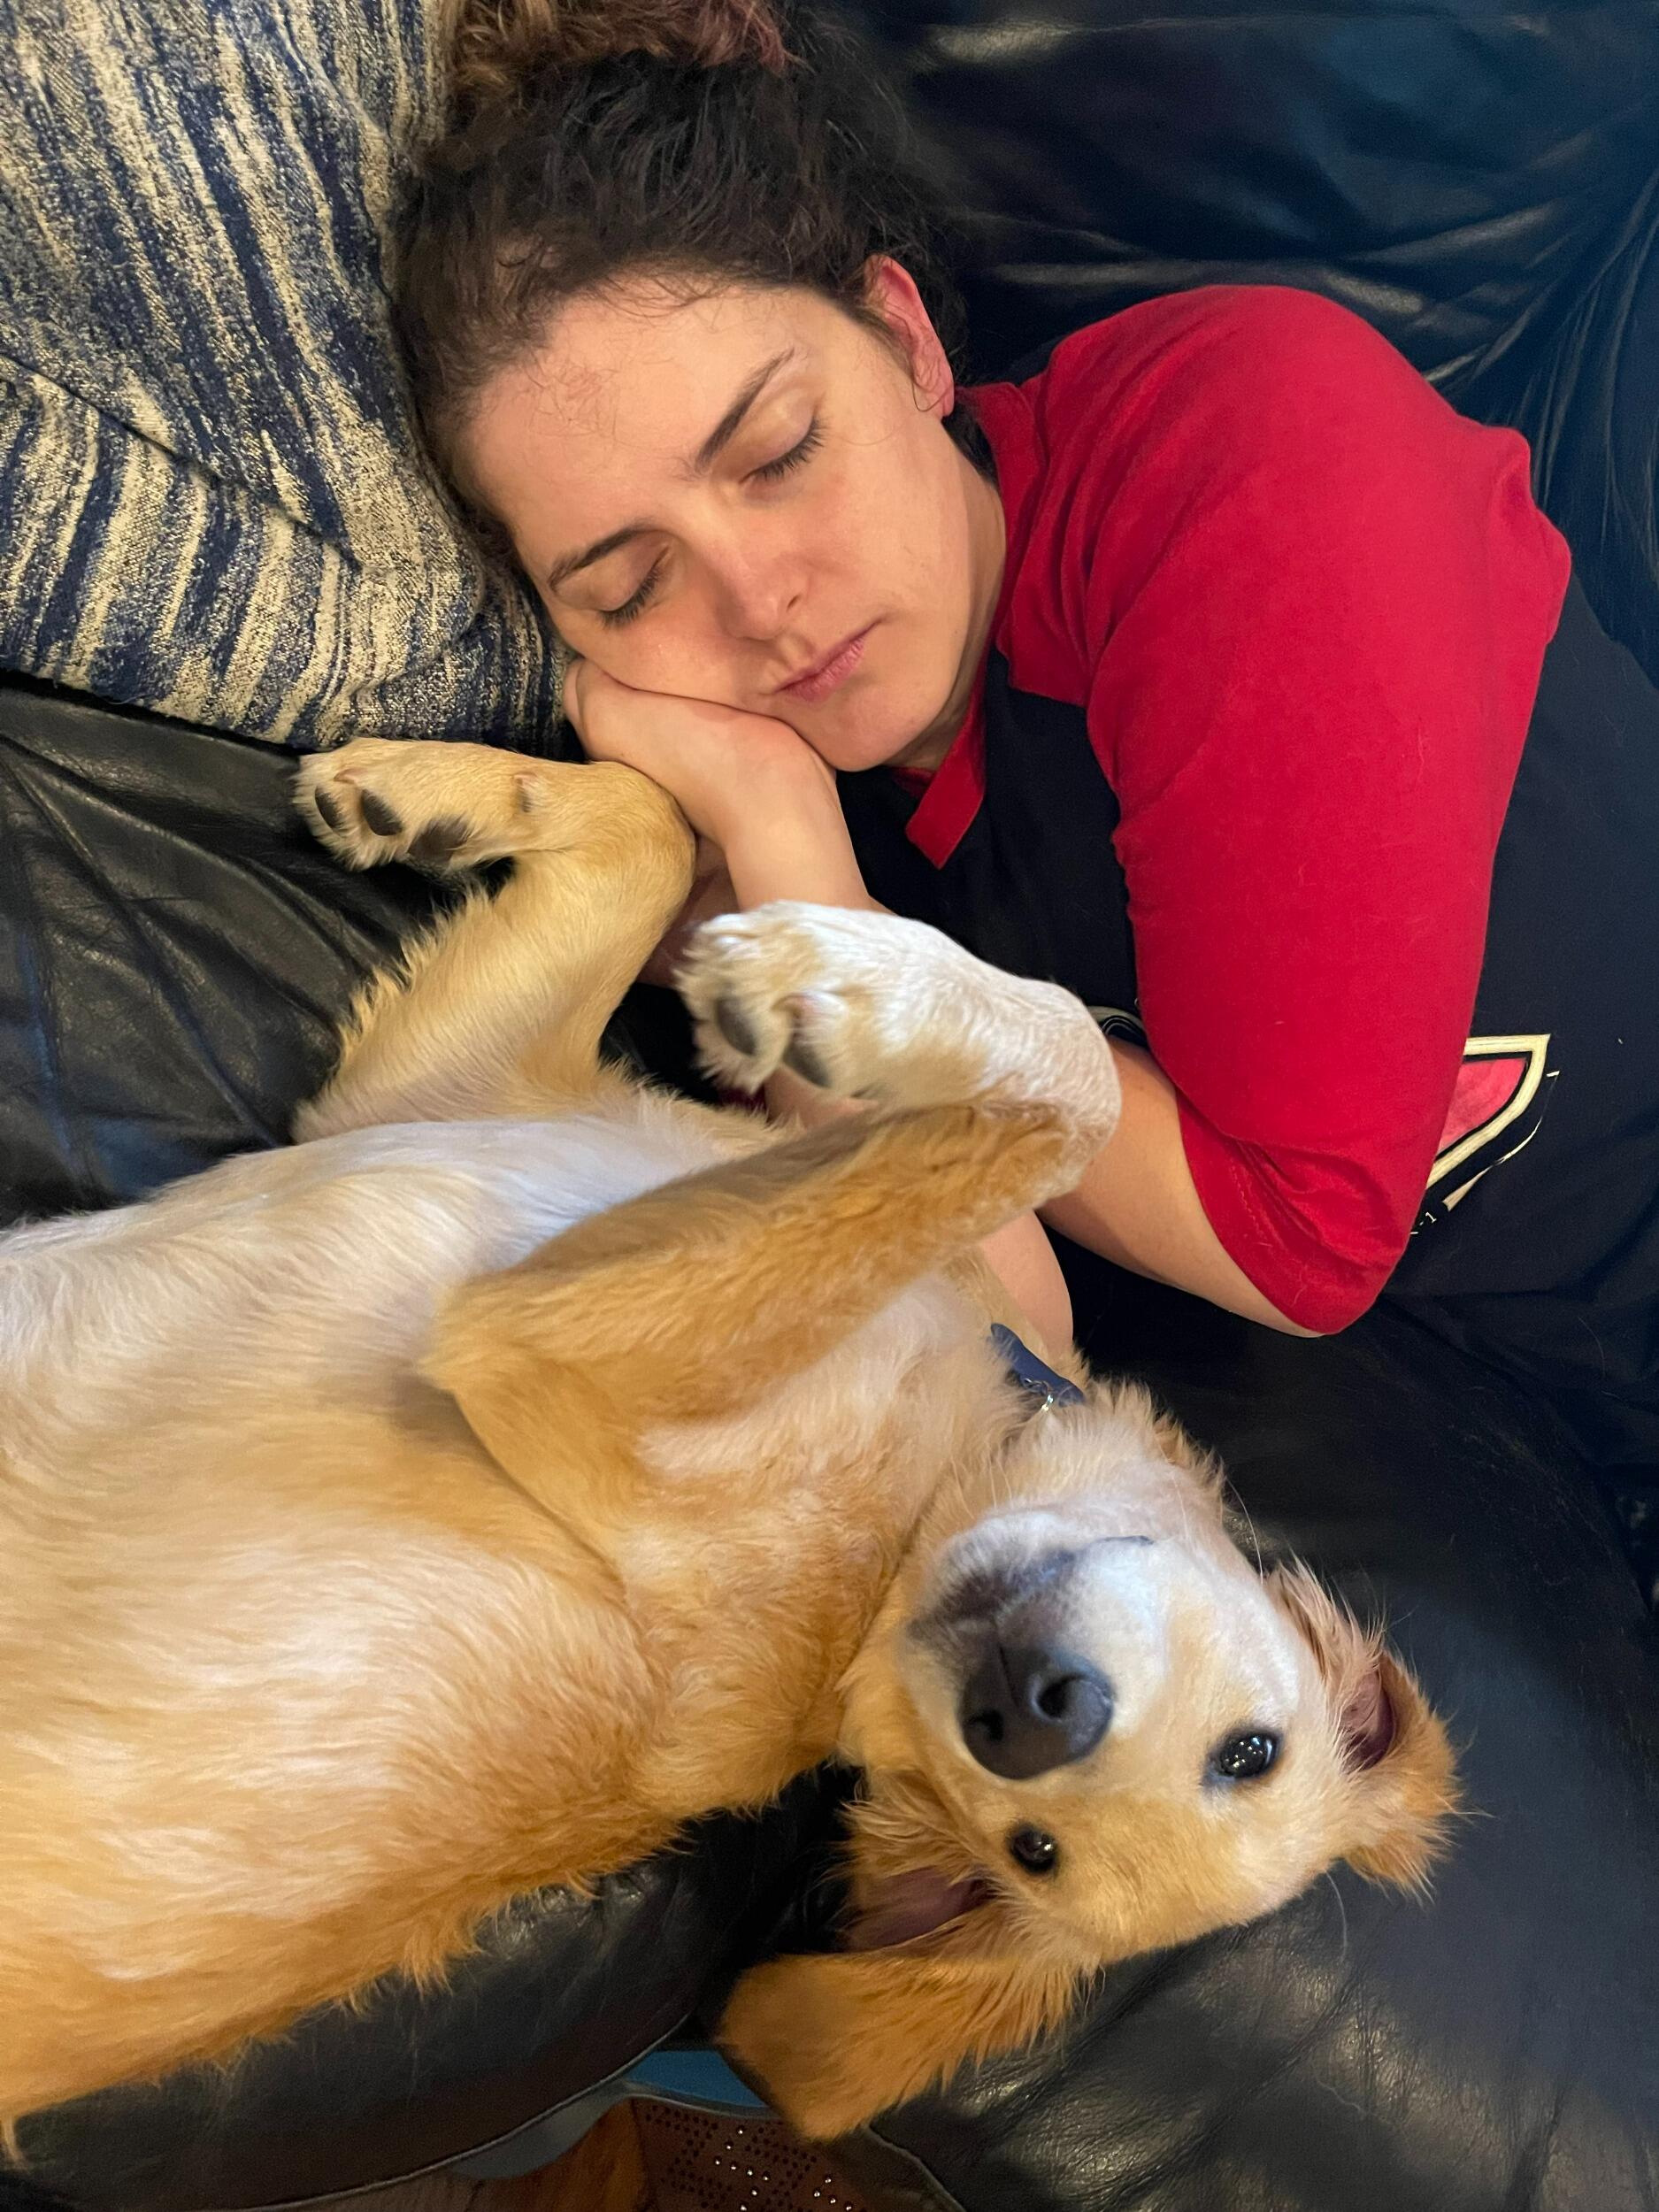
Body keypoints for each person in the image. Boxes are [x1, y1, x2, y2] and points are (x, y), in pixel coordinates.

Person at [398, 0, 1659, 1556]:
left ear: (908, 340)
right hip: (1548, 1424)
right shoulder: (784, 791)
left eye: (781, 449)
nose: (757, 601)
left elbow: (1298, 1245)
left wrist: (839, 942)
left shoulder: (1244, 465)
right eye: (626, 584)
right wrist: (791, 845)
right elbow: (1004, 1348)